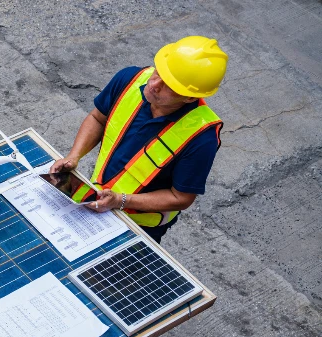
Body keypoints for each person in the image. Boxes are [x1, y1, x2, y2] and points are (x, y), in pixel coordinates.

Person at [50, 36, 228, 243]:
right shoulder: (129, 80)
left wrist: (121, 201)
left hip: (139, 227)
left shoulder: (201, 137)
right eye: (158, 72)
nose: (154, 84)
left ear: (189, 97)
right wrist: (74, 156)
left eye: (169, 85)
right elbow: (97, 118)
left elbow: (181, 197)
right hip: (95, 196)